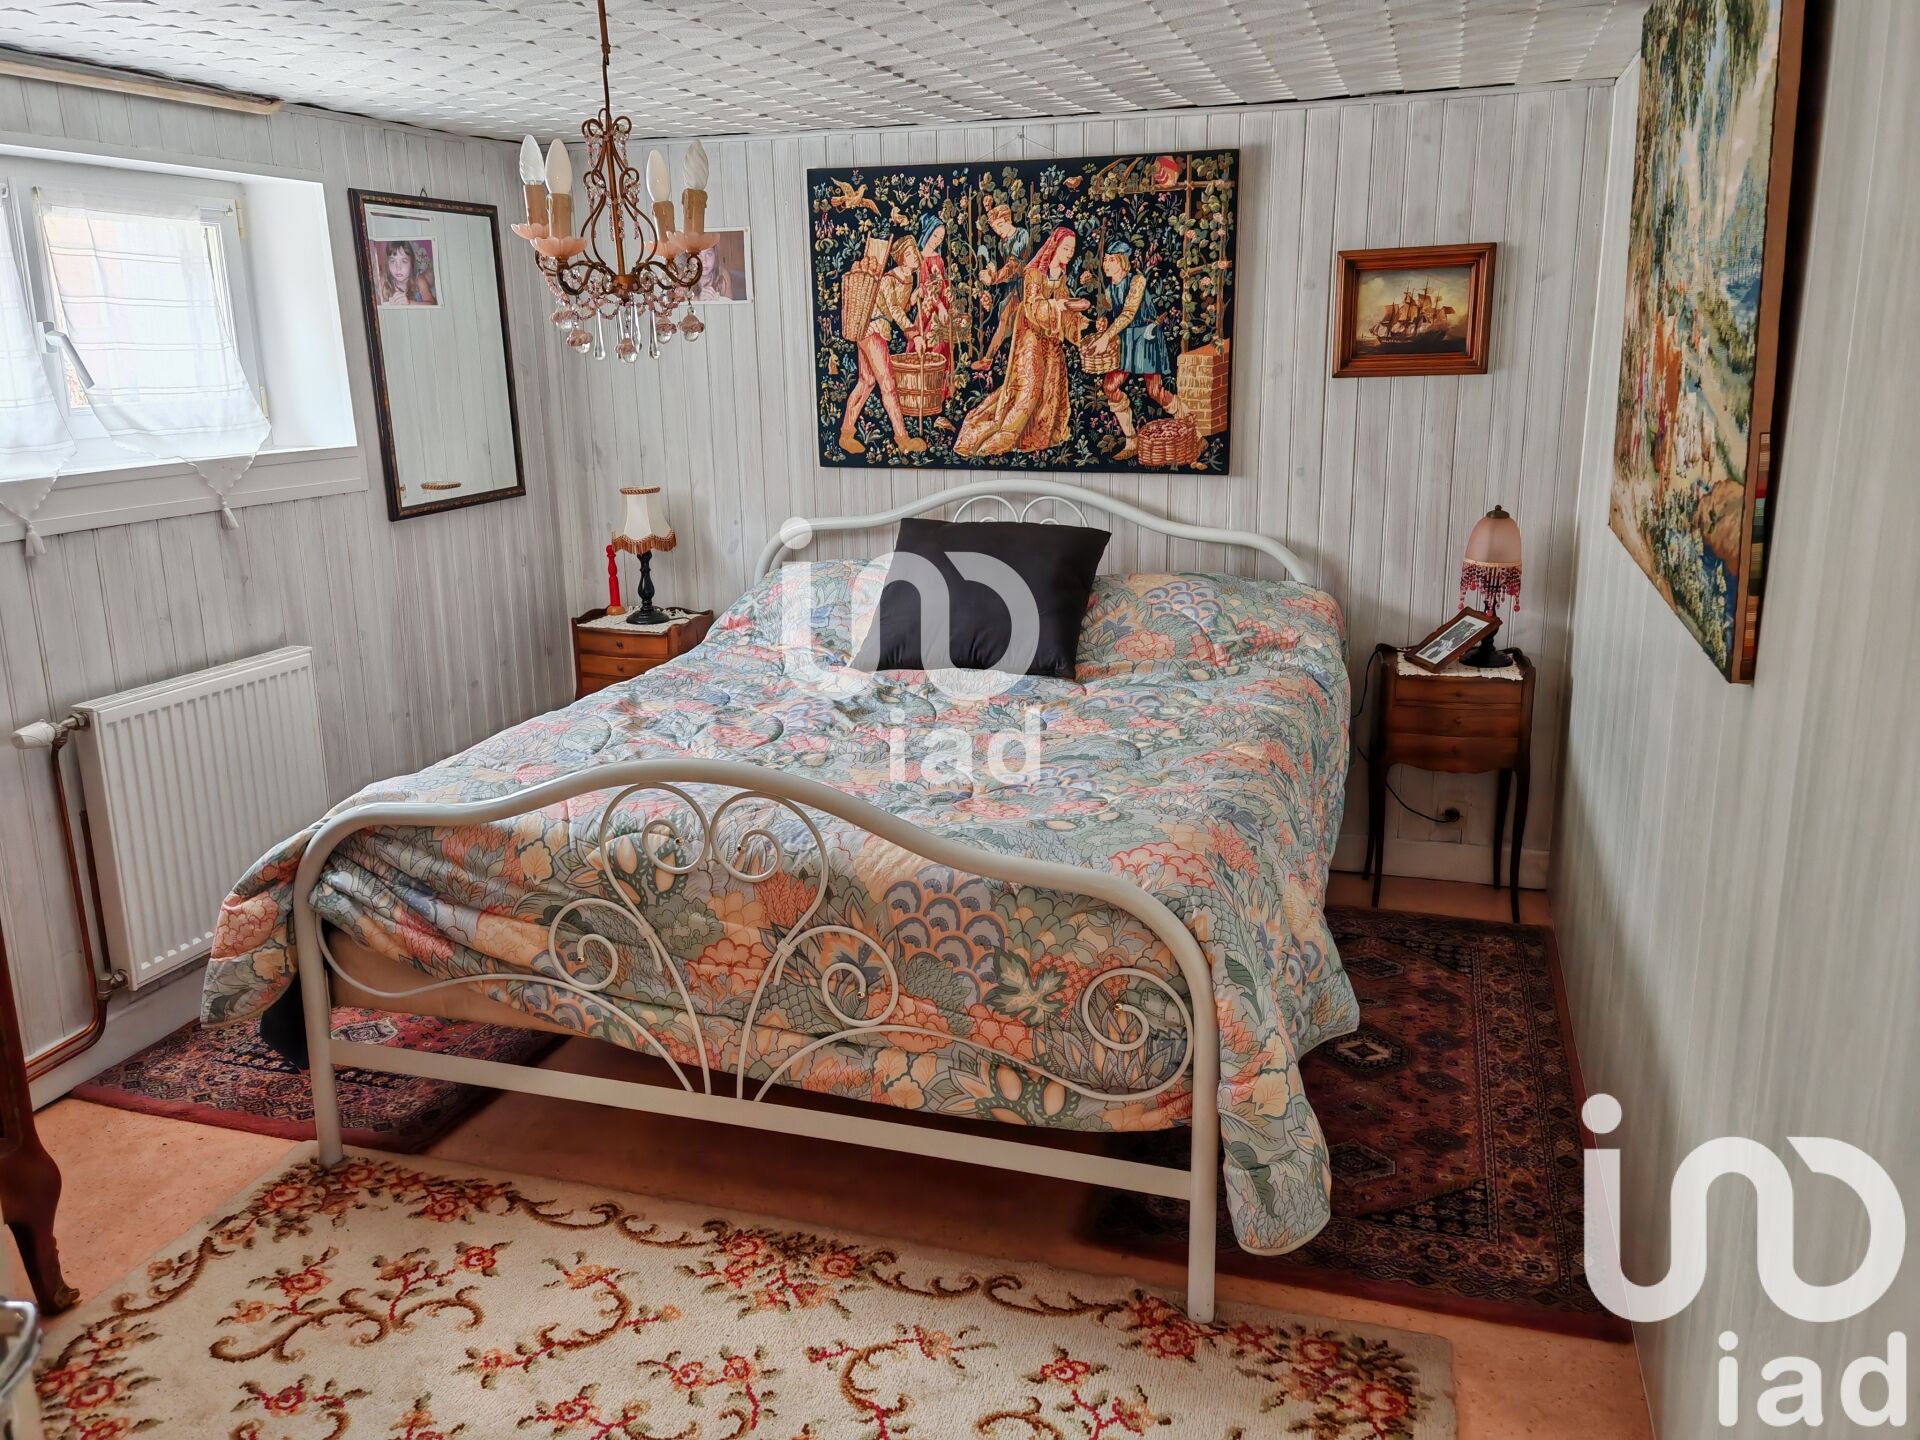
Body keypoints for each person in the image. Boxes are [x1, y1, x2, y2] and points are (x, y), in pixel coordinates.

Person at [953, 226, 1089, 457]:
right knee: (1029, 385)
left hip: (1049, 335)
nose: (1069, 254)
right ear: (1054, 246)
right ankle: (1004, 433)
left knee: (1050, 382)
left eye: (1072, 250)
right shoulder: (1034, 273)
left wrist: (1078, 321)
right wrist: (1057, 306)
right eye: (1066, 248)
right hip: (1030, 333)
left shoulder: (1061, 274)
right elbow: (1033, 305)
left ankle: (1035, 434)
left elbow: (1064, 304)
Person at [836, 234, 927, 457]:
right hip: (872, 330)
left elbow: (900, 307)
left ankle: (846, 434)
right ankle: (903, 439)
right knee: (887, 385)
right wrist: (914, 334)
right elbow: (893, 310)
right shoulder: (888, 279)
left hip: (876, 331)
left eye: (914, 253)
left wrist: (914, 298)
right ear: (900, 258)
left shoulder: (908, 279)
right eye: (909, 254)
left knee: (866, 382)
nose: (914, 257)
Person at [1088, 240, 1175, 460]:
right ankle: (1131, 440)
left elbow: (1128, 313)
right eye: (1105, 260)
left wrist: (1106, 337)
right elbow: (1113, 316)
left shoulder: (1137, 281)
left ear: (1123, 262)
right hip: (1125, 341)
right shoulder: (1109, 288)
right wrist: (1103, 325)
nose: (1106, 264)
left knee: (1155, 391)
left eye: (1111, 260)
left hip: (1145, 338)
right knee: (1110, 386)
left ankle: (1192, 426)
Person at [970, 202, 1031, 375]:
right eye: (995, 228)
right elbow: (1003, 267)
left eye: (1000, 225)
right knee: (1005, 321)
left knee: (1026, 324)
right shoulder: (1002, 243)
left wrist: (994, 278)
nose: (998, 231)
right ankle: (988, 360)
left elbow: (1013, 265)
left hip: (1028, 285)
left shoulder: (1022, 235)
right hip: (1013, 287)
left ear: (1008, 220)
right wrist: (990, 270)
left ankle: (1020, 365)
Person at [909, 213, 954, 409]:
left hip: (941, 308)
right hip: (928, 310)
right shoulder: (919, 257)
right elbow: (926, 286)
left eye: (941, 238)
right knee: (926, 344)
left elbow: (941, 284)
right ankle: (919, 392)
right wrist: (939, 305)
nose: (937, 240)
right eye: (935, 235)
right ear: (927, 233)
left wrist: (948, 299)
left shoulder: (939, 259)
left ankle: (938, 394)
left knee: (942, 349)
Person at [376, 240, 436, 306]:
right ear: (387, 263)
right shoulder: (383, 282)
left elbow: (432, 304)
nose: (398, 268)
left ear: (411, 263)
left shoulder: (419, 281)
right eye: (392, 261)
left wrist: (409, 303)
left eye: (404, 261)